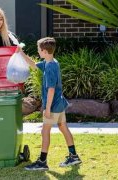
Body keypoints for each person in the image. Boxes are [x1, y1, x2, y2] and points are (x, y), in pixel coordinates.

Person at [16, 37, 82, 171]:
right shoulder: (50, 62)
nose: (38, 52)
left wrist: (47, 108)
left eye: (39, 50)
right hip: (59, 103)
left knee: (45, 131)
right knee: (63, 126)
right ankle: (73, 156)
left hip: (53, 105)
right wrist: (21, 53)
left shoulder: (50, 67)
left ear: (44, 51)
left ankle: (42, 161)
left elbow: (51, 90)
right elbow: (34, 65)